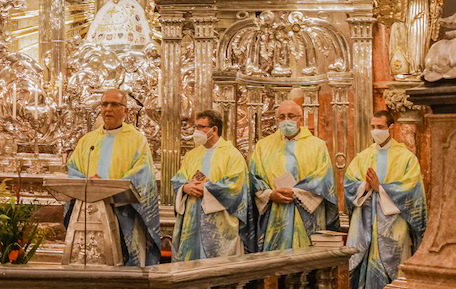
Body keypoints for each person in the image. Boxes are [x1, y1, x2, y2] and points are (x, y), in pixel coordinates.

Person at [65, 89, 161, 266]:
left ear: (125, 111)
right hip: (90, 215)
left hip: (124, 214)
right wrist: (90, 183)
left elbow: (143, 176)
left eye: (114, 104)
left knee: (124, 267)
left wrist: (107, 188)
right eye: (104, 104)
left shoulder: (136, 140)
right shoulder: (87, 141)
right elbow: (73, 170)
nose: (108, 109)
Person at [345, 110, 427, 289]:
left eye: (380, 127)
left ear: (391, 128)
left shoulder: (406, 158)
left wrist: (380, 188)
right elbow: (348, 183)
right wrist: (365, 186)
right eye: (373, 127)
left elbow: (412, 190)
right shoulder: (363, 156)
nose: (375, 131)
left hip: (394, 227)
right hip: (365, 225)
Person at [250, 100, 340, 251]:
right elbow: (254, 178)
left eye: (291, 116)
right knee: (275, 259)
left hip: (307, 212)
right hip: (275, 212)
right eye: (282, 117)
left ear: (300, 119)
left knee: (306, 258)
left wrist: (295, 193)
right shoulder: (263, 146)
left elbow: (323, 179)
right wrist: (270, 194)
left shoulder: (317, 146)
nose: (286, 120)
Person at [171, 110, 255, 261]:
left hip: (219, 225)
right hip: (192, 220)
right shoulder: (192, 155)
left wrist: (207, 189)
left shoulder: (232, 155)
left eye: (201, 127)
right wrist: (185, 188)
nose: (196, 131)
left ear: (214, 129)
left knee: (216, 268)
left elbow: (236, 186)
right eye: (196, 127)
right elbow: (179, 179)